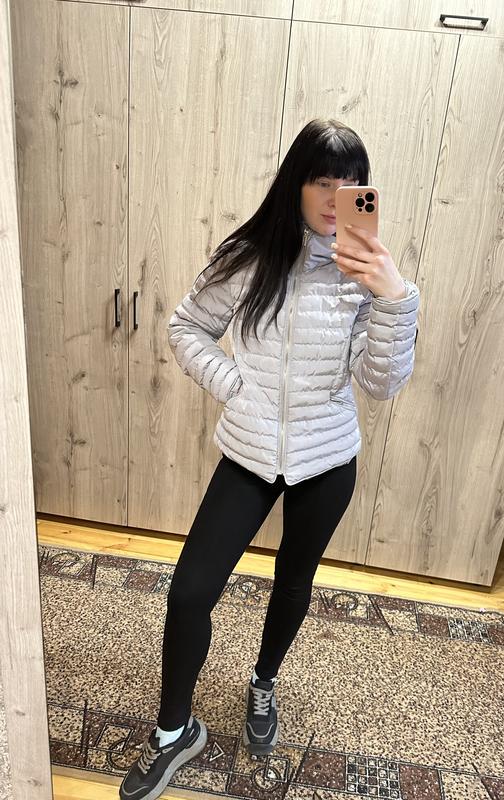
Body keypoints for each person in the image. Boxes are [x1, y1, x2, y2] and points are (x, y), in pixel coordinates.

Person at [119, 118, 420, 800]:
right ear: (296, 183)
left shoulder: (367, 276)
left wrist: (394, 297)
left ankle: (263, 683)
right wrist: (234, 387)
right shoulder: (250, 257)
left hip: (327, 459)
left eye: (350, 184)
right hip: (250, 452)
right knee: (190, 590)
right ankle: (174, 733)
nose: (335, 197)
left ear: (364, 194)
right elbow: (186, 326)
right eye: (322, 180)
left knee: (292, 581)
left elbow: (380, 383)